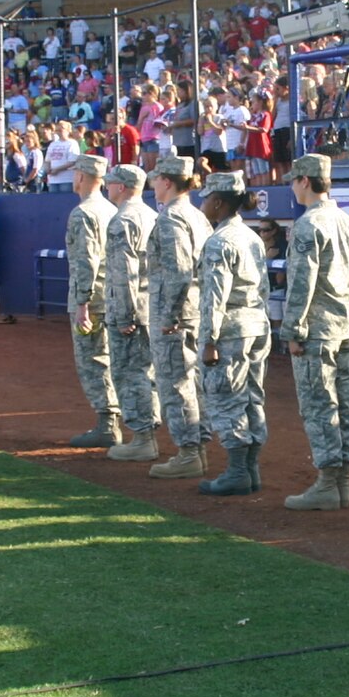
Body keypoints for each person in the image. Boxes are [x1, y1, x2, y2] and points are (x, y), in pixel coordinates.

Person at [279, 152, 349, 511]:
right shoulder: (344, 221)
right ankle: (341, 482)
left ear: (304, 180)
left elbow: (301, 283)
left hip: (317, 330)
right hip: (345, 325)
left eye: (294, 181)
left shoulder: (308, 224)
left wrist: (293, 329)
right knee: (343, 404)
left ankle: (329, 483)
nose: (293, 189)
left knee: (319, 405)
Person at [194, 170, 272, 496]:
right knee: (253, 398)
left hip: (230, 329)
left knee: (226, 399)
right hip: (256, 323)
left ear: (219, 202)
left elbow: (214, 296)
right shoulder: (251, 236)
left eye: (207, 199)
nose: (203, 205)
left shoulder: (220, 242)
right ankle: (250, 470)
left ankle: (238, 471)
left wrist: (208, 340)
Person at [145, 154, 214, 479]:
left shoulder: (172, 218)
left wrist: (169, 314)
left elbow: (178, 270)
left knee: (175, 383)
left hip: (176, 314)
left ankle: (188, 453)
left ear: (168, 181)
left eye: (157, 178)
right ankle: (196, 449)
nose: (153, 184)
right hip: (195, 310)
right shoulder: (197, 215)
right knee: (192, 382)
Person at [103, 164, 164, 464]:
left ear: (122, 187)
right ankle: (145, 434)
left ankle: (142, 438)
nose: (107, 186)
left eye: (111, 182)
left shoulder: (122, 220)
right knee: (147, 373)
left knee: (130, 374)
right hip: (151, 305)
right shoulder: (152, 215)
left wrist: (125, 314)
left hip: (131, 309)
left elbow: (123, 272)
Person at [64, 155, 122, 448]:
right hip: (110, 296)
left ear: (82, 176)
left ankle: (107, 423)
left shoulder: (83, 213)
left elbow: (86, 260)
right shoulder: (111, 209)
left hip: (92, 300)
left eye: (75, 172)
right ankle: (111, 421)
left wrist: (82, 302)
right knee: (108, 358)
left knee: (93, 360)